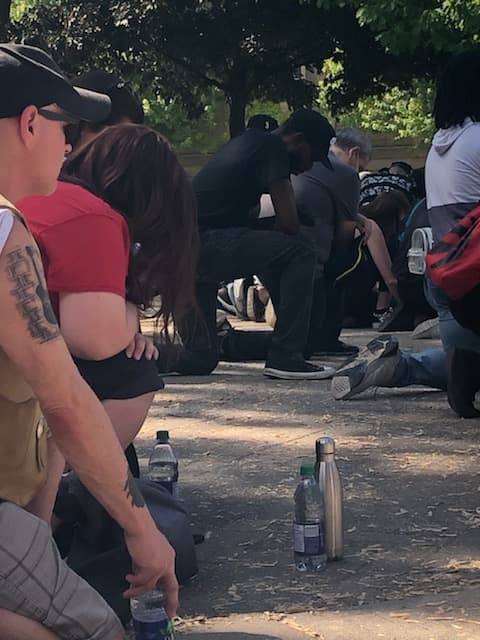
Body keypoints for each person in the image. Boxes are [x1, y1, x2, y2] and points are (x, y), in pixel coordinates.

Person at [0, 42, 177, 640]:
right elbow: (66, 399)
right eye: (64, 127)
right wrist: (142, 530)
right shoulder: (3, 230)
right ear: (30, 123)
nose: (71, 146)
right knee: (98, 631)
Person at [332, 50, 480, 414]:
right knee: (465, 359)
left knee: (458, 356)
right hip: (476, 276)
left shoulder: (441, 144)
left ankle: (402, 367)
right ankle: (469, 367)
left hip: (446, 277)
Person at [171, 108, 338, 380]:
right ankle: (287, 355)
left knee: (199, 358)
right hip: (202, 244)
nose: (308, 167)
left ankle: (132, 361)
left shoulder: (248, 143)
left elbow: (239, 222)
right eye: (312, 157)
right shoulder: (272, 147)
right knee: (301, 248)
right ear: (296, 139)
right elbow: (289, 223)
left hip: (181, 252)